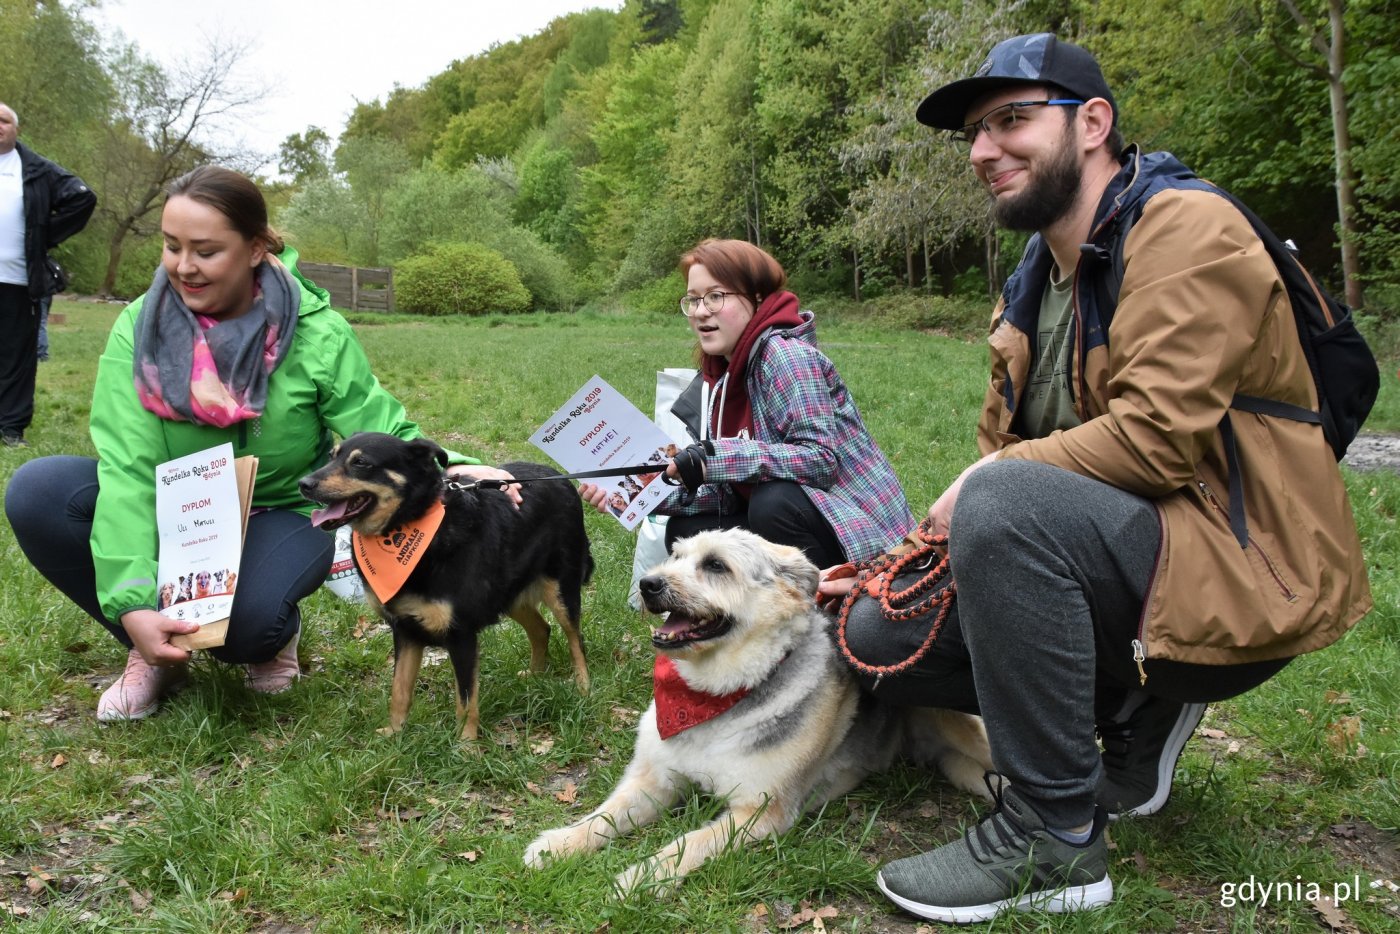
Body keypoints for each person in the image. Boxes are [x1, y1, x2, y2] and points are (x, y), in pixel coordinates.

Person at [817, 33, 1372, 924]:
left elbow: (1154, 444)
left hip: (1243, 568)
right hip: (1128, 564)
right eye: (974, 132)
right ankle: (1130, 706)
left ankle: (1054, 837)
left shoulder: (1189, 228)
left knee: (1004, 498)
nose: (984, 150)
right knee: (879, 631)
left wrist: (993, 479)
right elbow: (1013, 461)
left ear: (1093, 124)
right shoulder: (1033, 282)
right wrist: (901, 557)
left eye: (1012, 120)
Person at [4, 166, 518, 722]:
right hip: (178, 509)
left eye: (205, 250)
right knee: (39, 491)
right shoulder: (138, 328)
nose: (182, 266)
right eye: (171, 246)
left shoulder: (316, 331)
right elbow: (129, 470)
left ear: (254, 249)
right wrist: (131, 605)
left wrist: (464, 468)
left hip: (282, 508)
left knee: (246, 632)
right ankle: (153, 651)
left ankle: (273, 638)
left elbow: (380, 425)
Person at [581, 238, 913, 568]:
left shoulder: (786, 356)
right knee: (689, 537)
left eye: (715, 297)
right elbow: (728, 493)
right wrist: (640, 495)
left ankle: (832, 610)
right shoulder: (723, 381)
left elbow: (821, 460)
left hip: (864, 532)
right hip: (798, 519)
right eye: (693, 300)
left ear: (756, 297)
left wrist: (716, 457)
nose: (699, 311)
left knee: (772, 503)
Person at [0, 102, 96, 446]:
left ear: (16, 129)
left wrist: (42, 234)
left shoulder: (37, 169)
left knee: (16, 357)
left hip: (18, 281)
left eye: (5, 120)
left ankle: (11, 428)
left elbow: (83, 199)